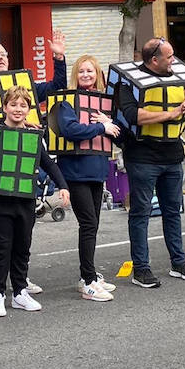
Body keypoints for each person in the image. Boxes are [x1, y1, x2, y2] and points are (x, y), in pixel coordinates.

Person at [0, 86, 70, 316]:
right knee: (0, 247)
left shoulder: (32, 137)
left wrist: (63, 187)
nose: (18, 109)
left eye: (23, 105)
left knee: (22, 247)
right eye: (14, 104)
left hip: (25, 200)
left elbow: (48, 163)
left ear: (29, 110)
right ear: (5, 107)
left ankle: (19, 292)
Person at [119, 38, 185, 289]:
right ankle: (141, 268)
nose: (174, 60)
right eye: (169, 56)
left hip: (173, 156)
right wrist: (172, 114)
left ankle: (178, 262)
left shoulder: (179, 76)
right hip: (142, 157)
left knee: (173, 212)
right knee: (140, 213)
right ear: (154, 60)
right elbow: (133, 114)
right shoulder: (128, 82)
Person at [52, 55, 121, 302]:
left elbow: (117, 134)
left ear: (98, 74)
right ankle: (88, 281)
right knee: (89, 224)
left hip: (97, 171)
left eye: (90, 71)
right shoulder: (67, 102)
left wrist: (107, 122)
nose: (85, 75)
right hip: (75, 172)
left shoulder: (103, 103)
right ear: (75, 74)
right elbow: (70, 130)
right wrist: (101, 127)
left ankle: (89, 274)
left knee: (93, 225)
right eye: (81, 71)